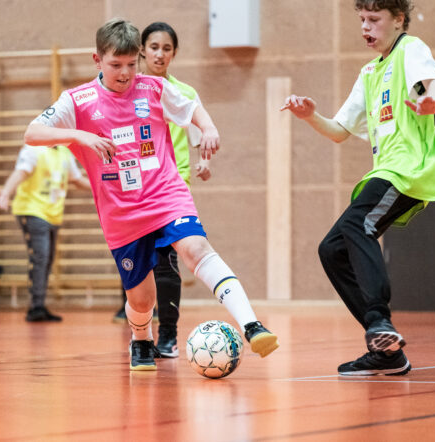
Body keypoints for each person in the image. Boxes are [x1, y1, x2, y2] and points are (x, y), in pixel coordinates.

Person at [25, 18, 278, 371]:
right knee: (142, 299)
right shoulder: (77, 101)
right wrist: (80, 136)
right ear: (97, 60)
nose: (125, 73)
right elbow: (32, 133)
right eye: (115, 65)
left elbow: (190, 107)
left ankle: (252, 325)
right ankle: (141, 339)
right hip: (121, 212)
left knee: (196, 249)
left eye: (131, 64)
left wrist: (208, 127)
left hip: (165, 192)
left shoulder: (153, 88)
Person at [281, 0, 435, 376]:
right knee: (331, 250)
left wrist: (429, 101)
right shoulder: (368, 74)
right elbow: (340, 131)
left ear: (399, 20)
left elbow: (433, 83)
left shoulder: (411, 49)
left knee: (359, 224)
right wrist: (311, 116)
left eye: (374, 19)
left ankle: (379, 320)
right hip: (390, 171)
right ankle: (387, 353)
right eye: (362, 19)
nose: (365, 27)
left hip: (411, 168)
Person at [116, 21, 213, 358]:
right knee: (136, 259)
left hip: (170, 186)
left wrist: (204, 161)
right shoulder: (128, 90)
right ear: (142, 50)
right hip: (133, 189)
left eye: (167, 48)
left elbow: (199, 134)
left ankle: (167, 336)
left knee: (166, 262)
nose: (160, 53)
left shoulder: (183, 93)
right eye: (154, 47)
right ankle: (139, 328)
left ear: (174, 53)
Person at [0, 144, 91, 322]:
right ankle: (36, 307)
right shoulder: (33, 149)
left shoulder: (64, 152)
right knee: (40, 257)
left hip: (53, 214)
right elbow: (21, 172)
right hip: (32, 211)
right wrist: (5, 193)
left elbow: (76, 179)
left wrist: (101, 188)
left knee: (47, 259)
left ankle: (39, 305)